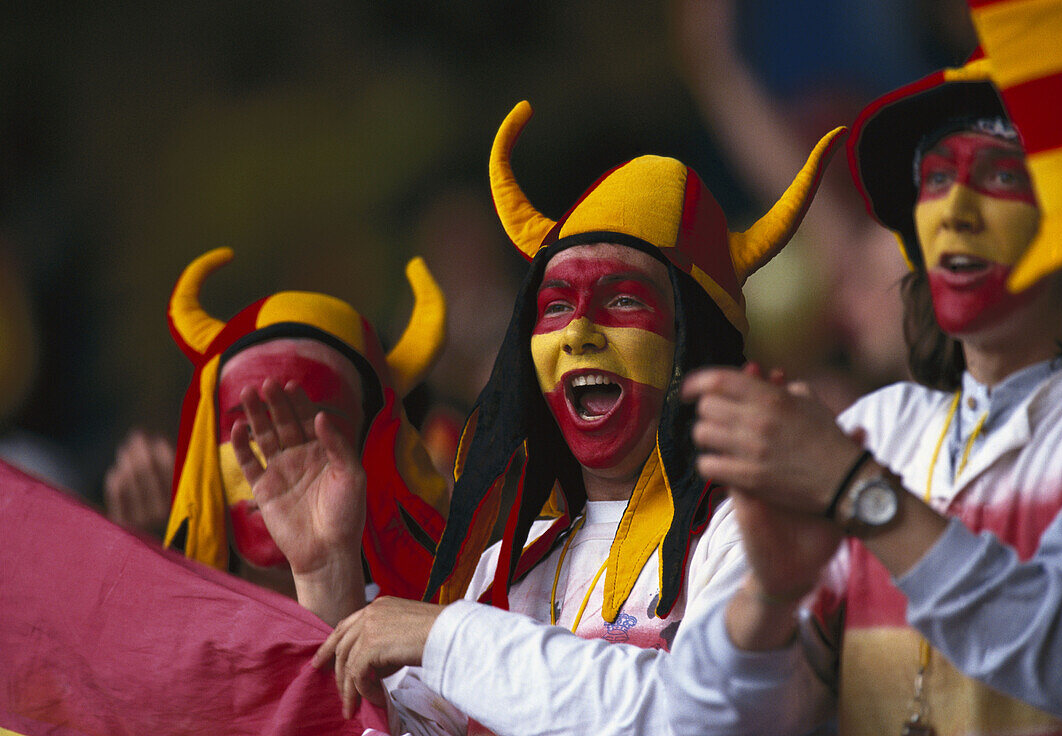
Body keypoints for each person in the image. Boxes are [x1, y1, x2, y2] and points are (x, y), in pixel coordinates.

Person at [234, 100, 844, 733]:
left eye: (623, 299)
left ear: (696, 345)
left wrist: (451, 636)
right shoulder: (508, 566)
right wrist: (328, 571)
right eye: (556, 307)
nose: (578, 332)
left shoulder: (757, 531)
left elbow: (695, 716)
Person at [673, 57, 1062, 734]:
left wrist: (861, 494)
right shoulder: (879, 427)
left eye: (1001, 175)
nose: (955, 209)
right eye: (935, 178)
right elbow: (704, 718)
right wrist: (769, 596)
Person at [162, 246, 449, 622]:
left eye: (314, 423)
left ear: (373, 444)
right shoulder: (157, 635)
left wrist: (328, 581)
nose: (278, 452)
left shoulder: (442, 636)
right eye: (249, 427)